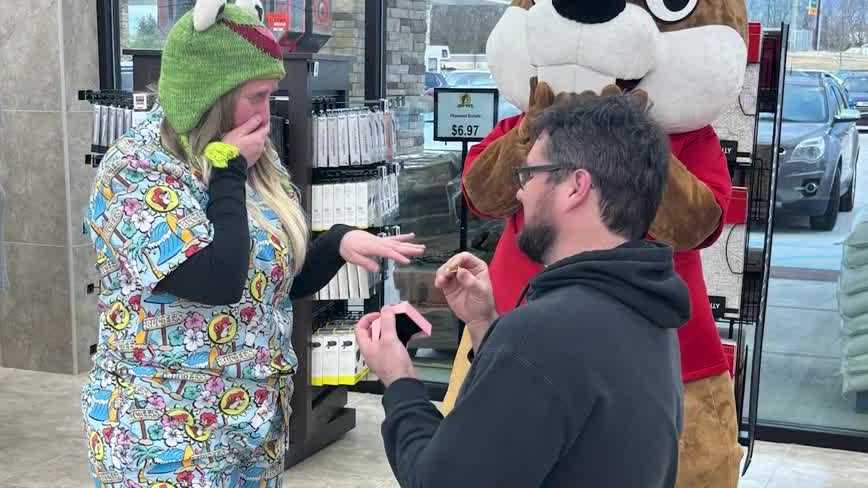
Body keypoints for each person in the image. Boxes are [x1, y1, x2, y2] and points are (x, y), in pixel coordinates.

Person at [79, 2, 424, 486]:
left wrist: (337, 244)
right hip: (163, 441)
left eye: (272, 94)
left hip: (251, 430)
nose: (267, 112)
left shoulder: (253, 160)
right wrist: (227, 169)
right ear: (210, 93)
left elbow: (270, 285)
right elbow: (218, 279)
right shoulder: (137, 169)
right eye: (257, 95)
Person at [356, 93, 690, 487]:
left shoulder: (546, 334)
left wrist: (400, 381)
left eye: (529, 174)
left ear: (575, 186)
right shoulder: (646, 310)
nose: (520, 192)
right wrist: (485, 325)